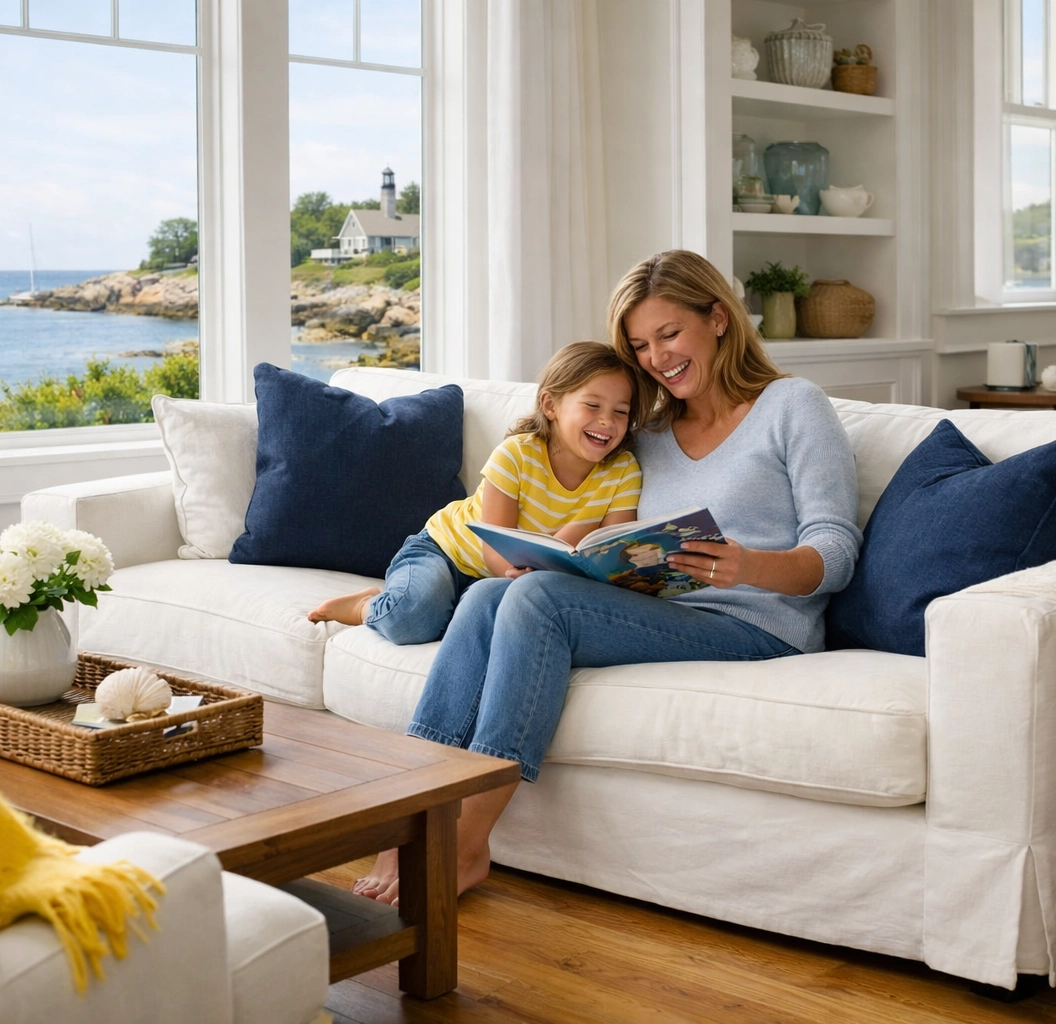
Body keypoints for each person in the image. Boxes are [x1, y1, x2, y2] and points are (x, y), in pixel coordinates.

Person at [352, 249, 862, 906]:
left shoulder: (793, 405)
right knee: (486, 594)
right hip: (666, 608)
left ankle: (468, 840)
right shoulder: (644, 433)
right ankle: (414, 818)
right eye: (640, 344)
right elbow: (576, 481)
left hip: (760, 623)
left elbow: (837, 549)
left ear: (718, 318)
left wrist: (751, 564)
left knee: (535, 599)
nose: (656, 357)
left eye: (669, 334)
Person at [308, 341, 648, 644]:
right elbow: (494, 545)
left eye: (621, 411)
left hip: (515, 578)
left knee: (490, 627)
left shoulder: (622, 471)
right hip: (448, 552)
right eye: (592, 406)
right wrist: (512, 574)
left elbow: (611, 547)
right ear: (550, 405)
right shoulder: (516, 455)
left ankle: (435, 602)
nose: (607, 421)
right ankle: (366, 604)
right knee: (412, 621)